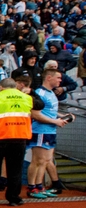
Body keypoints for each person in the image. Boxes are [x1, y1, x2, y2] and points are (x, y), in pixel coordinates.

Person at [26, 69, 71, 199]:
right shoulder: (39, 93)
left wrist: (63, 117)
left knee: (45, 161)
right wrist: (55, 121)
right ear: (49, 78)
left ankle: (39, 186)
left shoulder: (51, 93)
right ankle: (32, 187)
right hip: (40, 130)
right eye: (58, 78)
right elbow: (35, 114)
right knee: (38, 160)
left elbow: (50, 112)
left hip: (50, 130)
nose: (60, 80)